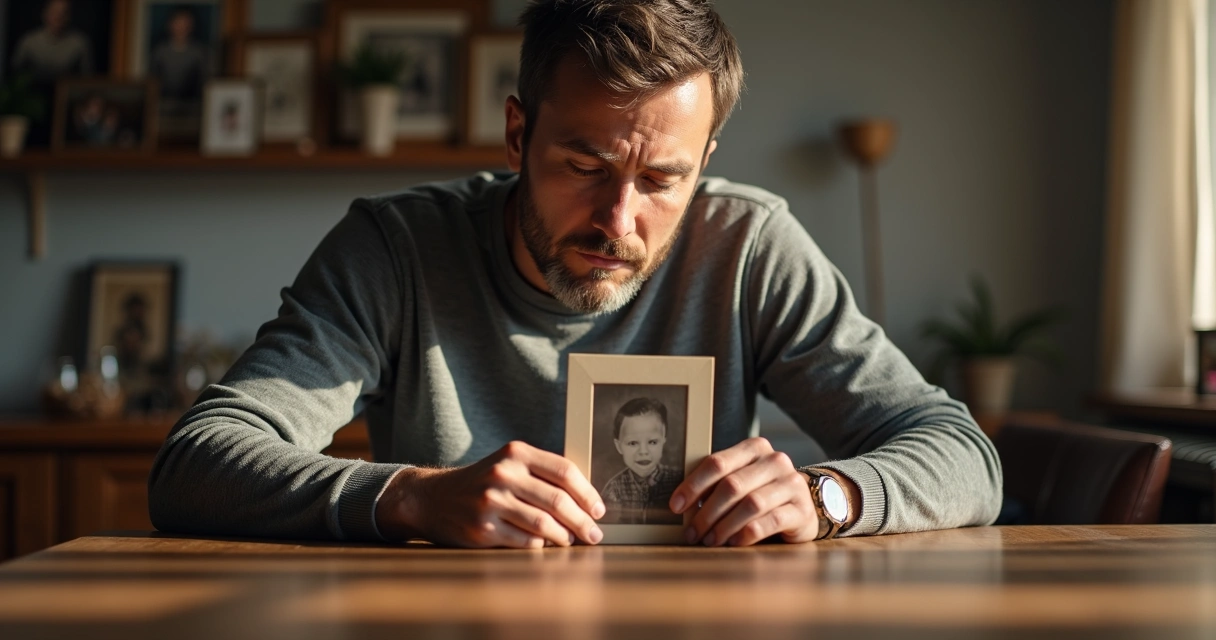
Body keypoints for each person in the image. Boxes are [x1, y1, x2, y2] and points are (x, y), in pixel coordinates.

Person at [150, 0, 1002, 549]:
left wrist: (829, 497)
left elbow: (965, 456)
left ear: (703, 164)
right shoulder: (395, 249)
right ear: (518, 136)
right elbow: (198, 462)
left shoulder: (750, 247)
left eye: (663, 180)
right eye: (584, 164)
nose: (619, 221)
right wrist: (409, 497)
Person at [600, 398, 682, 525]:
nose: (643, 451)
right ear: (619, 446)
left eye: (652, 442)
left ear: (663, 440)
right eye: (633, 443)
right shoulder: (614, 490)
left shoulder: (679, 480)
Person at [11, 0, 93, 87]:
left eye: (64, 13)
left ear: (70, 16)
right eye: (54, 12)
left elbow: (88, 79)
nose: (58, 17)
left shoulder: (79, 43)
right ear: (45, 14)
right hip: (32, 95)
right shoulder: (29, 41)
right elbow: (14, 74)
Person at [148, 7, 209, 115]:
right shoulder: (160, 52)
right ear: (170, 25)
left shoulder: (199, 53)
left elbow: (204, 80)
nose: (181, 28)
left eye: (185, 24)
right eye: (178, 23)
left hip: (192, 107)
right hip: (163, 106)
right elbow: (153, 81)